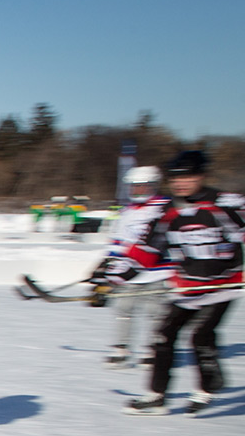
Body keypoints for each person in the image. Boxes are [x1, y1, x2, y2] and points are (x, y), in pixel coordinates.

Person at [97, 148, 243, 415]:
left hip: (222, 286)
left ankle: (206, 388)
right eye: (176, 178)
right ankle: (156, 396)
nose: (181, 183)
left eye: (187, 177)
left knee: (200, 335)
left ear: (202, 176)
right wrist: (112, 279)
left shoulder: (226, 205)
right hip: (185, 286)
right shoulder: (166, 212)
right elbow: (147, 252)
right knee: (162, 337)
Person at [93, 166, 167, 367]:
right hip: (128, 272)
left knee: (156, 312)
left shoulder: (164, 208)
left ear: (153, 186)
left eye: (143, 186)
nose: (138, 190)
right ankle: (120, 348)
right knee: (123, 309)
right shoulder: (126, 212)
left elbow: (157, 243)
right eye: (134, 187)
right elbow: (117, 243)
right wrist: (104, 267)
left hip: (157, 272)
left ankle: (153, 350)